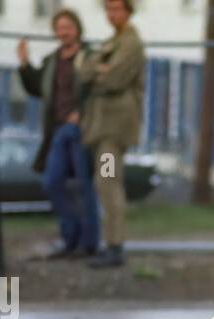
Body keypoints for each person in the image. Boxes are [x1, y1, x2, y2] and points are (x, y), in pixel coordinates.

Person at [18, 8, 99, 260]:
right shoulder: (52, 60)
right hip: (57, 130)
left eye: (68, 27)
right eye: (60, 28)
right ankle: (70, 237)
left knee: (85, 186)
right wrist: (24, 63)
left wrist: (81, 113)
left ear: (78, 29)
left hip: (82, 130)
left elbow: (98, 90)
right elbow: (37, 89)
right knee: (52, 183)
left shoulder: (89, 57)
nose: (64, 32)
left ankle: (89, 243)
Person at [77, 0, 145, 270]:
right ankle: (110, 242)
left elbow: (114, 79)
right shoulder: (110, 42)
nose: (111, 14)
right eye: (108, 9)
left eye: (117, 9)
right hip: (100, 124)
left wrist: (101, 71)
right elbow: (83, 73)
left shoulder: (131, 44)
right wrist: (99, 68)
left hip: (114, 128)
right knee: (103, 183)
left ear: (128, 11)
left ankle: (115, 245)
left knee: (108, 183)